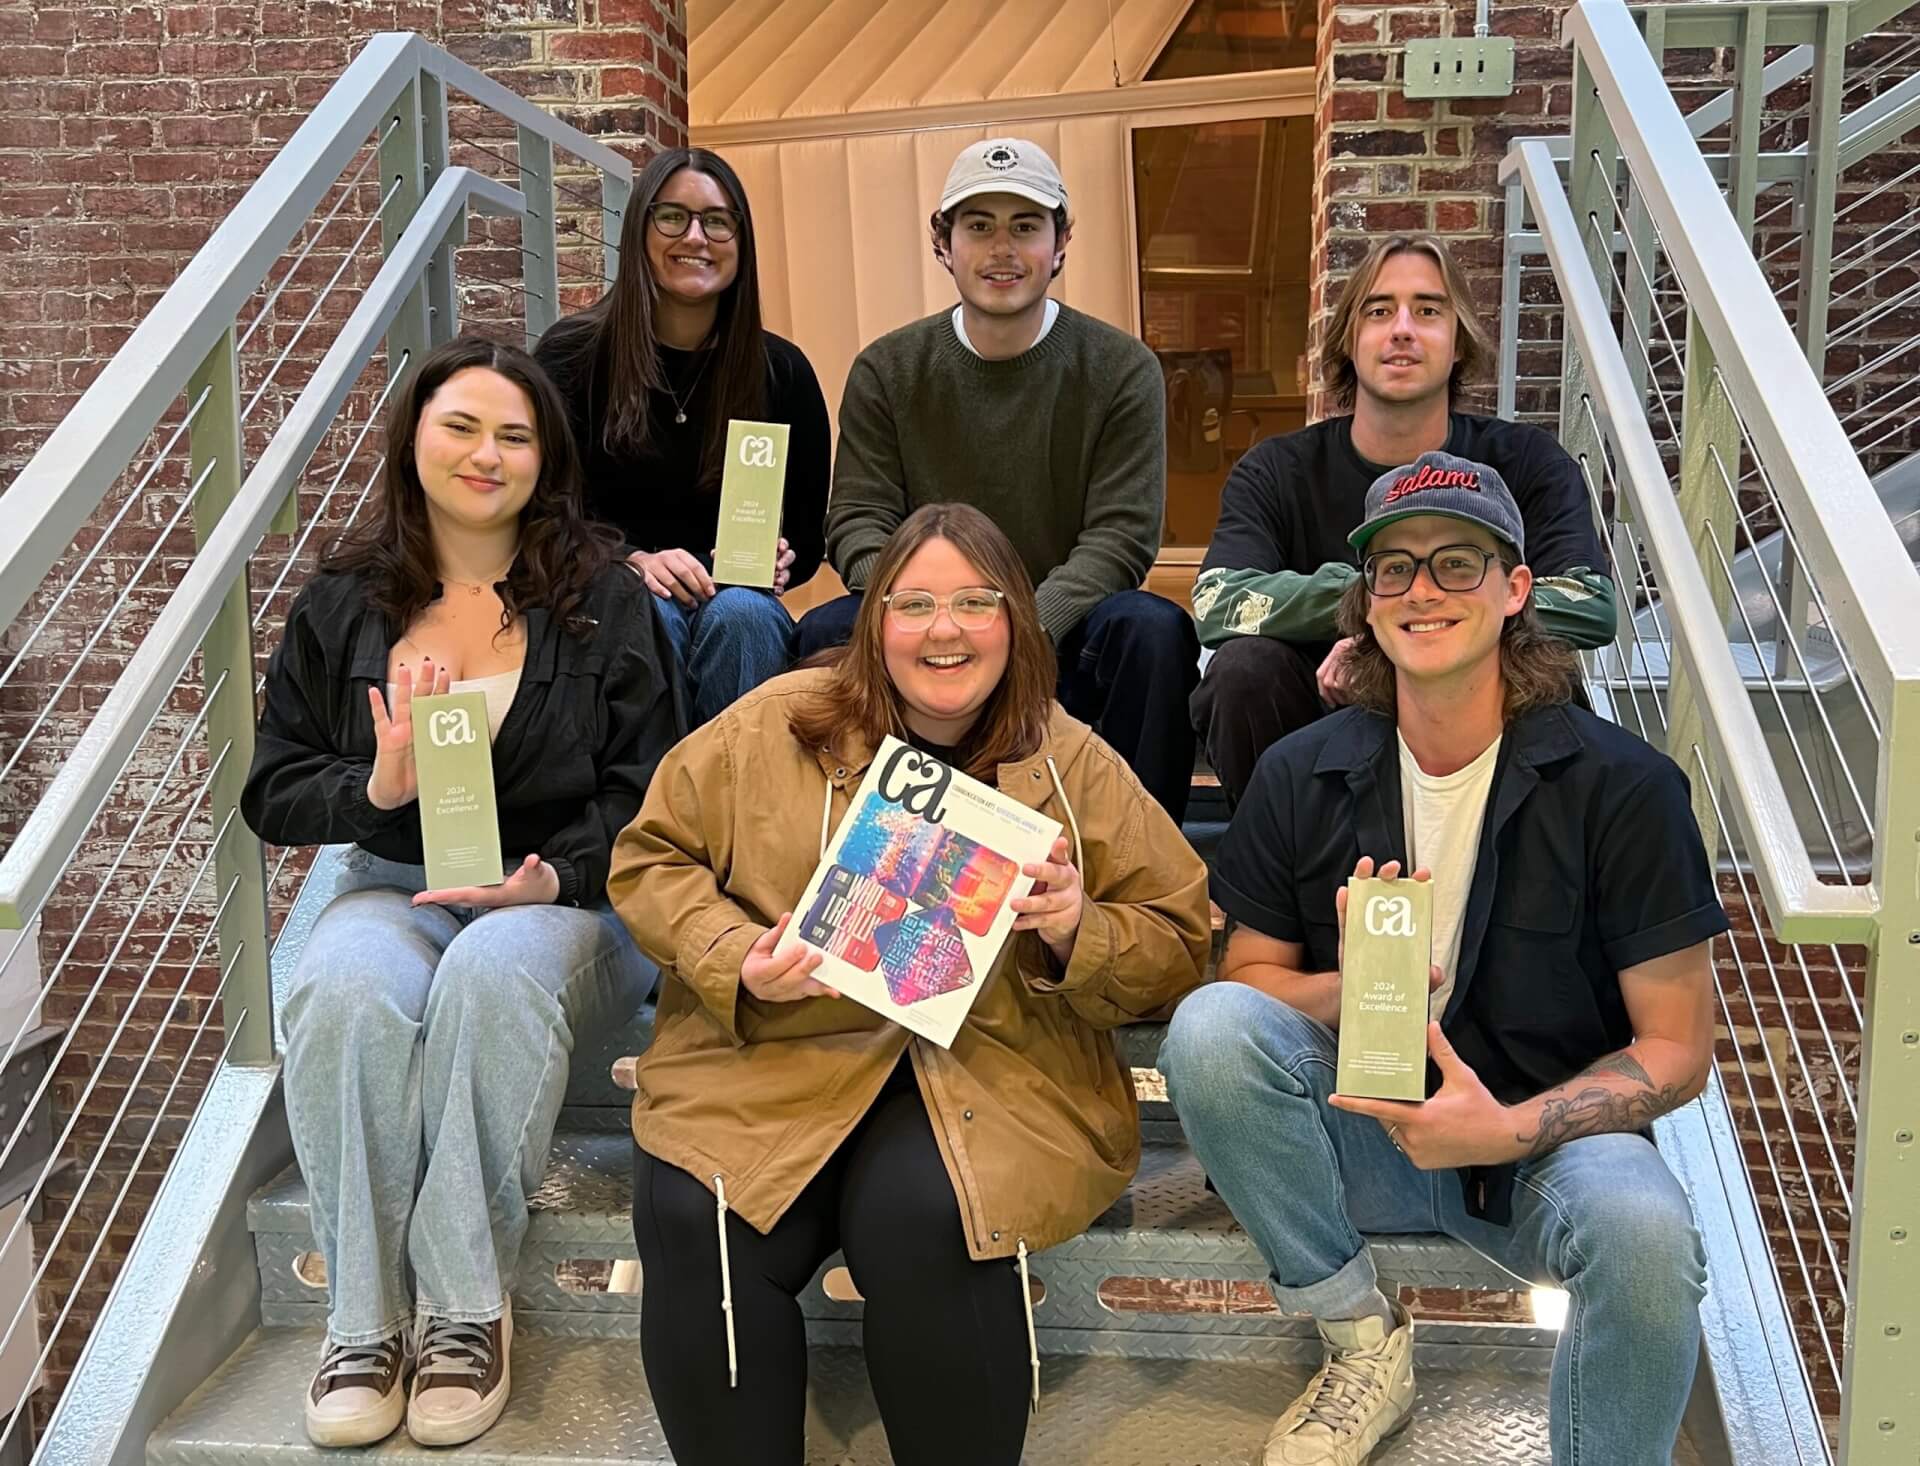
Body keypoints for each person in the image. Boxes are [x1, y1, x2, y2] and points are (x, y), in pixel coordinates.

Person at [610, 502, 1212, 1465]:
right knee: (698, 1208)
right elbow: (651, 861)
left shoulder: (1070, 763)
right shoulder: (774, 724)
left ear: (1015, 619)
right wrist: (734, 954)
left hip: (987, 1068)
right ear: (872, 620)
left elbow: (1182, 938)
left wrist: (1074, 929)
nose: (944, 629)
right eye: (914, 602)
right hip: (777, 1050)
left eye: (976, 602)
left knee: (927, 1218)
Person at [1159, 452, 1726, 1466]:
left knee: (1646, 1236)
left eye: (1457, 563)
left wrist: (1507, 1127)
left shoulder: (1623, 786)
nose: (1422, 589)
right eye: (1395, 569)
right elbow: (1246, 979)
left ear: (1516, 591)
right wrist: (1360, 987)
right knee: (1207, 1028)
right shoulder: (1302, 772)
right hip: (1360, 1129)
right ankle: (1358, 1340)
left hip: (1542, 1144)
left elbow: (1678, 1046)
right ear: (1365, 605)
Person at [240, 336, 681, 1449]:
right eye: (462, 426)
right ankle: (362, 1322)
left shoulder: (605, 597)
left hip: (567, 897)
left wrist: (554, 873)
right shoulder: (343, 602)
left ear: (548, 457)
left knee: (492, 969)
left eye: (516, 434)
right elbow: (273, 789)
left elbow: (659, 791)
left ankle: (464, 1310)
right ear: (414, 439)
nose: (488, 453)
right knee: (342, 985)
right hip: (397, 879)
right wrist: (371, 782)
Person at [791, 137, 1200, 823]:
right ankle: (846, 856)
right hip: (927, 628)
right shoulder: (889, 370)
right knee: (826, 629)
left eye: (1025, 226)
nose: (1001, 249)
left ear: (1061, 242)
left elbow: (1121, 538)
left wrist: (1013, 624)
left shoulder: (1121, 369)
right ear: (943, 243)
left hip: (1062, 626)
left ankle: (1142, 865)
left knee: (1152, 631)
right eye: (978, 225)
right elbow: (857, 522)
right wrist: (931, 611)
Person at [1189, 233, 1618, 808]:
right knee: (1243, 669)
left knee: (1548, 671)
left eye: (1429, 310)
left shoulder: (1527, 462)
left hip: (1477, 699)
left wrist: (1405, 631)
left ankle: (1527, 876)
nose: (1402, 329)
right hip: (1317, 710)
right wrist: (1376, 606)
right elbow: (1219, 602)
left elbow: (1587, 604)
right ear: (1348, 338)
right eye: (1379, 310)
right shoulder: (1278, 469)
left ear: (1459, 341)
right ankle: (1283, 870)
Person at [537, 146, 830, 726]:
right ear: (640, 230)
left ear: (741, 242)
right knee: (647, 608)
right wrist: (630, 560)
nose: (695, 236)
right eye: (672, 216)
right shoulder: (570, 358)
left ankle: (733, 808)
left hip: (736, 600)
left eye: (717, 221)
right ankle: (649, 808)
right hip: (613, 590)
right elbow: (543, 513)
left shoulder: (782, 371)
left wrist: (780, 560)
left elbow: (805, 537)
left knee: (744, 615)